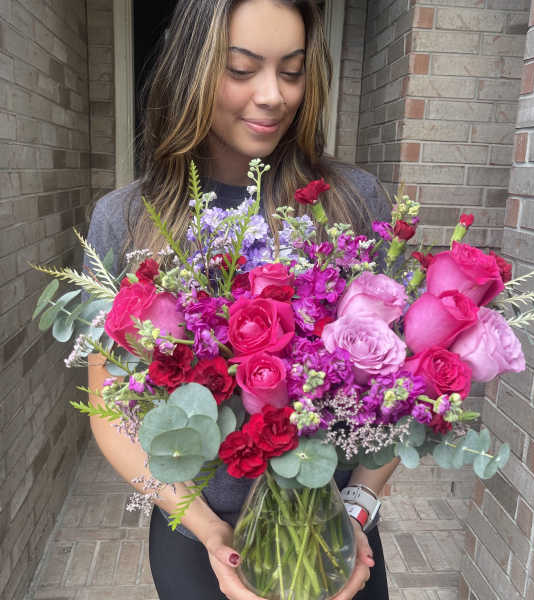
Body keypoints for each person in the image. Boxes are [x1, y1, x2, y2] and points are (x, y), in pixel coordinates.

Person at [86, 1, 398, 598]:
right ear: (193, 71)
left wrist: (357, 509)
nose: (273, 95)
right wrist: (208, 532)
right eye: (241, 69)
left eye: (292, 70)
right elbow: (109, 412)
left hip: (331, 530)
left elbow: (399, 389)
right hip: (195, 530)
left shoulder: (351, 202)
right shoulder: (127, 221)